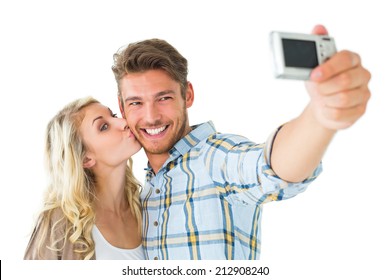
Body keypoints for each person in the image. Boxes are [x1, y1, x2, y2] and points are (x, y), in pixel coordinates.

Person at [111, 25, 371, 260]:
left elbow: (272, 168)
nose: (151, 116)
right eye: (136, 102)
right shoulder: (141, 192)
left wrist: (320, 115)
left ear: (187, 95)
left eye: (164, 98)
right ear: (122, 108)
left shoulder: (216, 158)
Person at [24, 96, 144, 260]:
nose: (123, 122)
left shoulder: (146, 208)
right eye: (103, 127)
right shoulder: (59, 223)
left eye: (114, 115)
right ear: (85, 159)